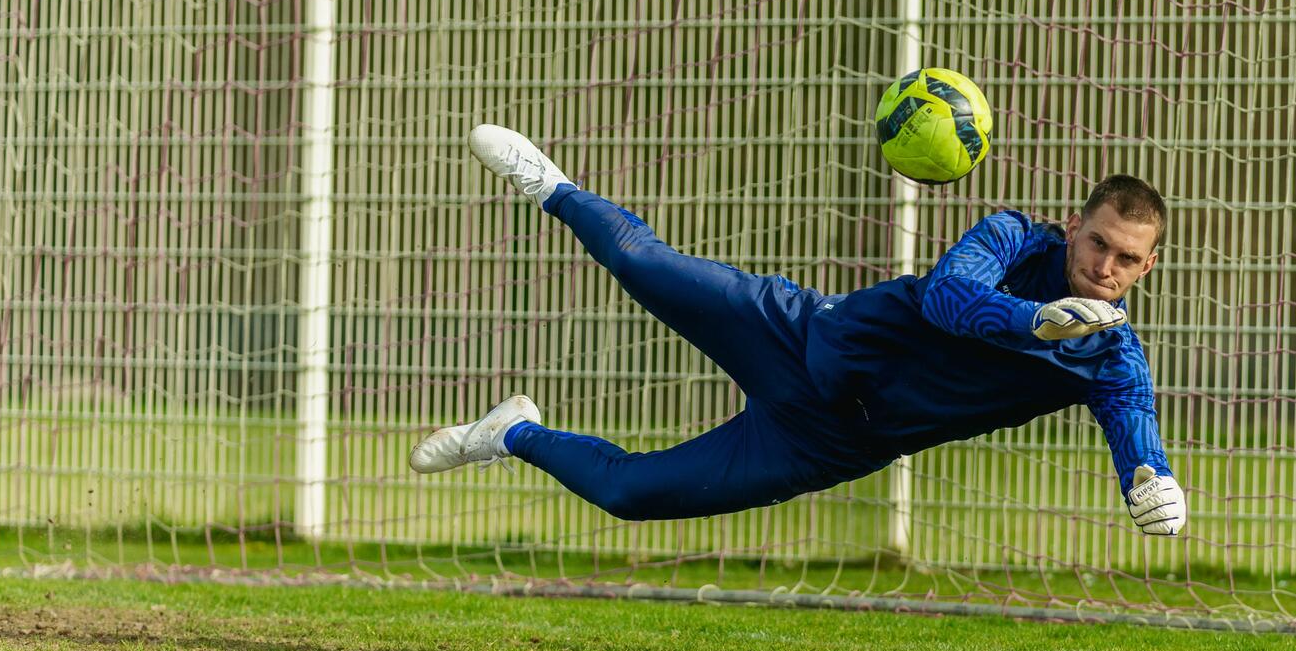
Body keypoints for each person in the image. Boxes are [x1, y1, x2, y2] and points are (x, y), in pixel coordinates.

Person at [409, 125, 1186, 535]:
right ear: (1074, 224)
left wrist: (1151, 482)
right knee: (640, 260)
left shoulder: (1112, 358)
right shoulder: (1013, 234)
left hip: (827, 441)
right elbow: (950, 298)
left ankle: (509, 435)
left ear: (1145, 270)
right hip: (800, 335)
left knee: (629, 495)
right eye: (1098, 243)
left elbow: (1135, 425)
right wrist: (1032, 320)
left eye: (1126, 258)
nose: (1106, 266)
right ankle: (549, 184)